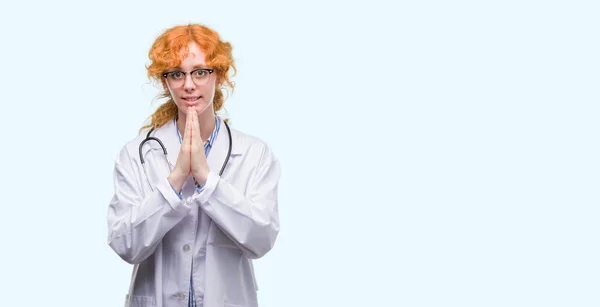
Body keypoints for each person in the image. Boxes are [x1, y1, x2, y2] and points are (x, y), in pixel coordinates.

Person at [107, 24, 281, 307]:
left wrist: (206, 178)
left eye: (200, 72)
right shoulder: (136, 155)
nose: (189, 85)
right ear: (165, 82)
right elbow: (125, 244)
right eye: (177, 74)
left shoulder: (254, 154)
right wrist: (176, 178)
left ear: (220, 76)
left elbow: (261, 239)